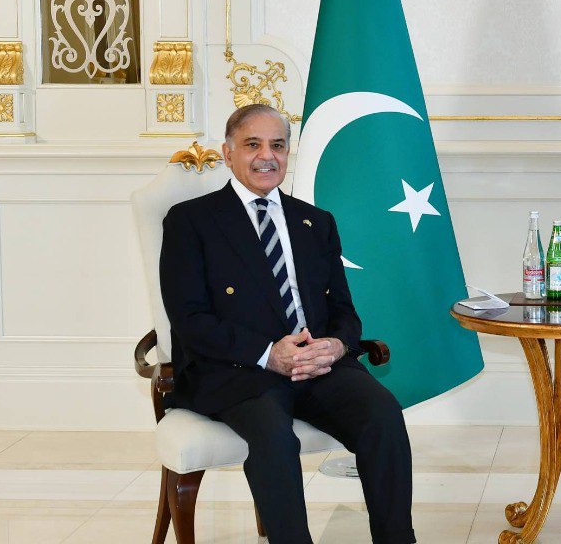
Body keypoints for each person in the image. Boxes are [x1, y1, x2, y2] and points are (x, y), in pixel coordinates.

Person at [159, 104, 415, 544]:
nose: (267, 156)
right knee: (274, 438)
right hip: (239, 371)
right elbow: (189, 320)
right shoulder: (191, 221)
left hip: (318, 365)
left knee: (383, 415)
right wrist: (268, 355)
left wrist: (337, 346)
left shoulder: (315, 222)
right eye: (252, 144)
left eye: (277, 145)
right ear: (228, 153)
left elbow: (344, 310)